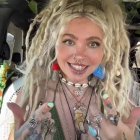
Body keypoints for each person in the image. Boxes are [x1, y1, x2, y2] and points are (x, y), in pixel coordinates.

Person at [8, 0, 140, 140]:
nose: (79, 55)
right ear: (55, 45)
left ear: (105, 51)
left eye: (93, 43)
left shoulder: (117, 100)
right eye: (69, 41)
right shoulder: (33, 94)